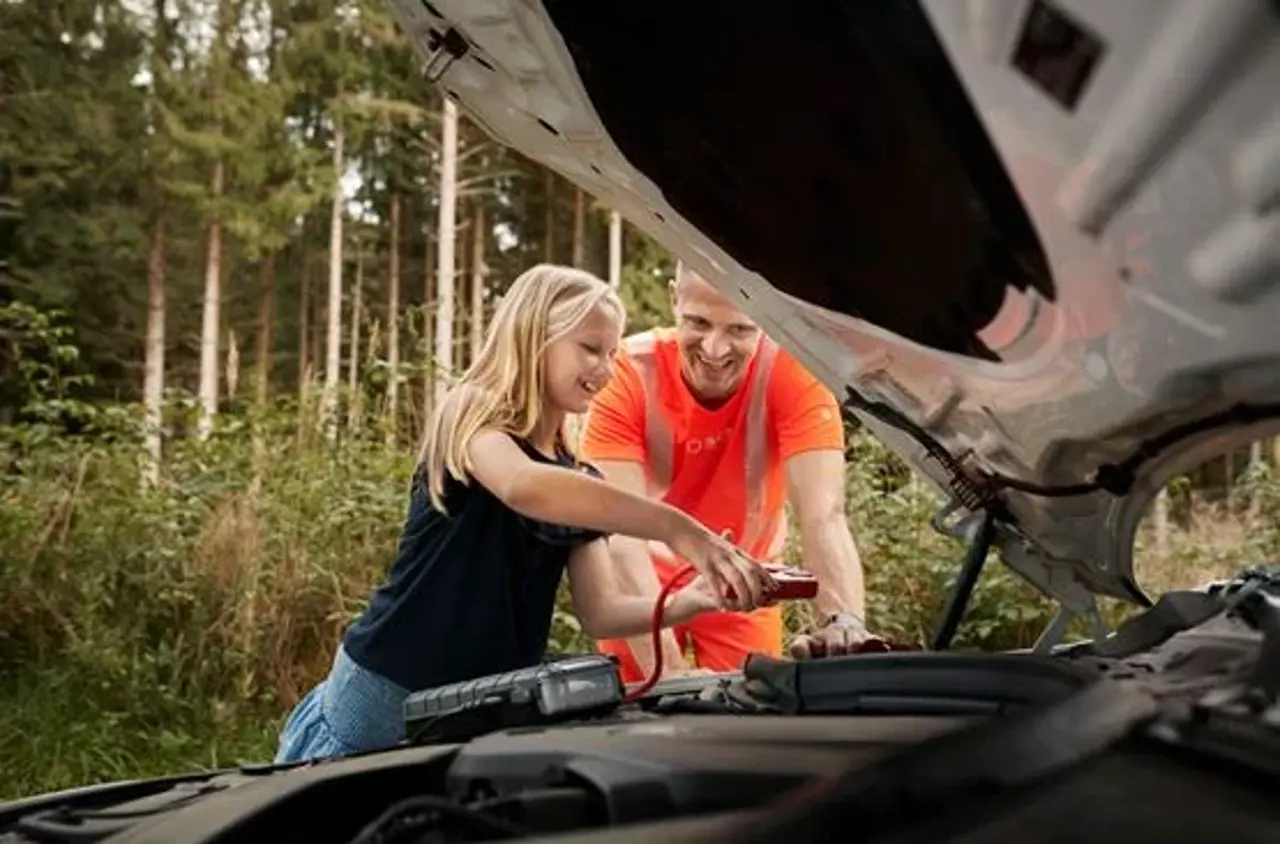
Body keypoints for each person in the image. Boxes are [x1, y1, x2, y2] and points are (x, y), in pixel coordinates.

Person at [274, 264, 776, 764]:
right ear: (535, 336)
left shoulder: (579, 481)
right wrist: (678, 527)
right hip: (383, 696)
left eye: (612, 353)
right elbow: (522, 485)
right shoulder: (472, 417)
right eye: (589, 349)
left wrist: (694, 600)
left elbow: (601, 611)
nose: (605, 369)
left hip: (471, 709)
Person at [580, 262, 876, 684]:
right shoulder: (627, 371)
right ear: (673, 299)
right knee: (646, 712)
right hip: (643, 584)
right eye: (698, 322)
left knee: (751, 715)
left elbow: (823, 516)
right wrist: (672, 680)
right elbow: (623, 538)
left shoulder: (793, 372)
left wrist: (843, 623)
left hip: (746, 581)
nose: (715, 349)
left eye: (739, 329)